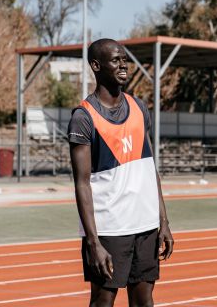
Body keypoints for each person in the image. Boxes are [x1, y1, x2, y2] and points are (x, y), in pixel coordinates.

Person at [68, 38, 174, 307]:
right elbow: (81, 184)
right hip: (110, 230)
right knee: (103, 301)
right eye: (116, 60)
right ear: (96, 65)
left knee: (144, 302)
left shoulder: (139, 107)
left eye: (125, 59)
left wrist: (164, 222)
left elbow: (150, 169)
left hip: (145, 226)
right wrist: (93, 242)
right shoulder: (84, 116)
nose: (123, 65)